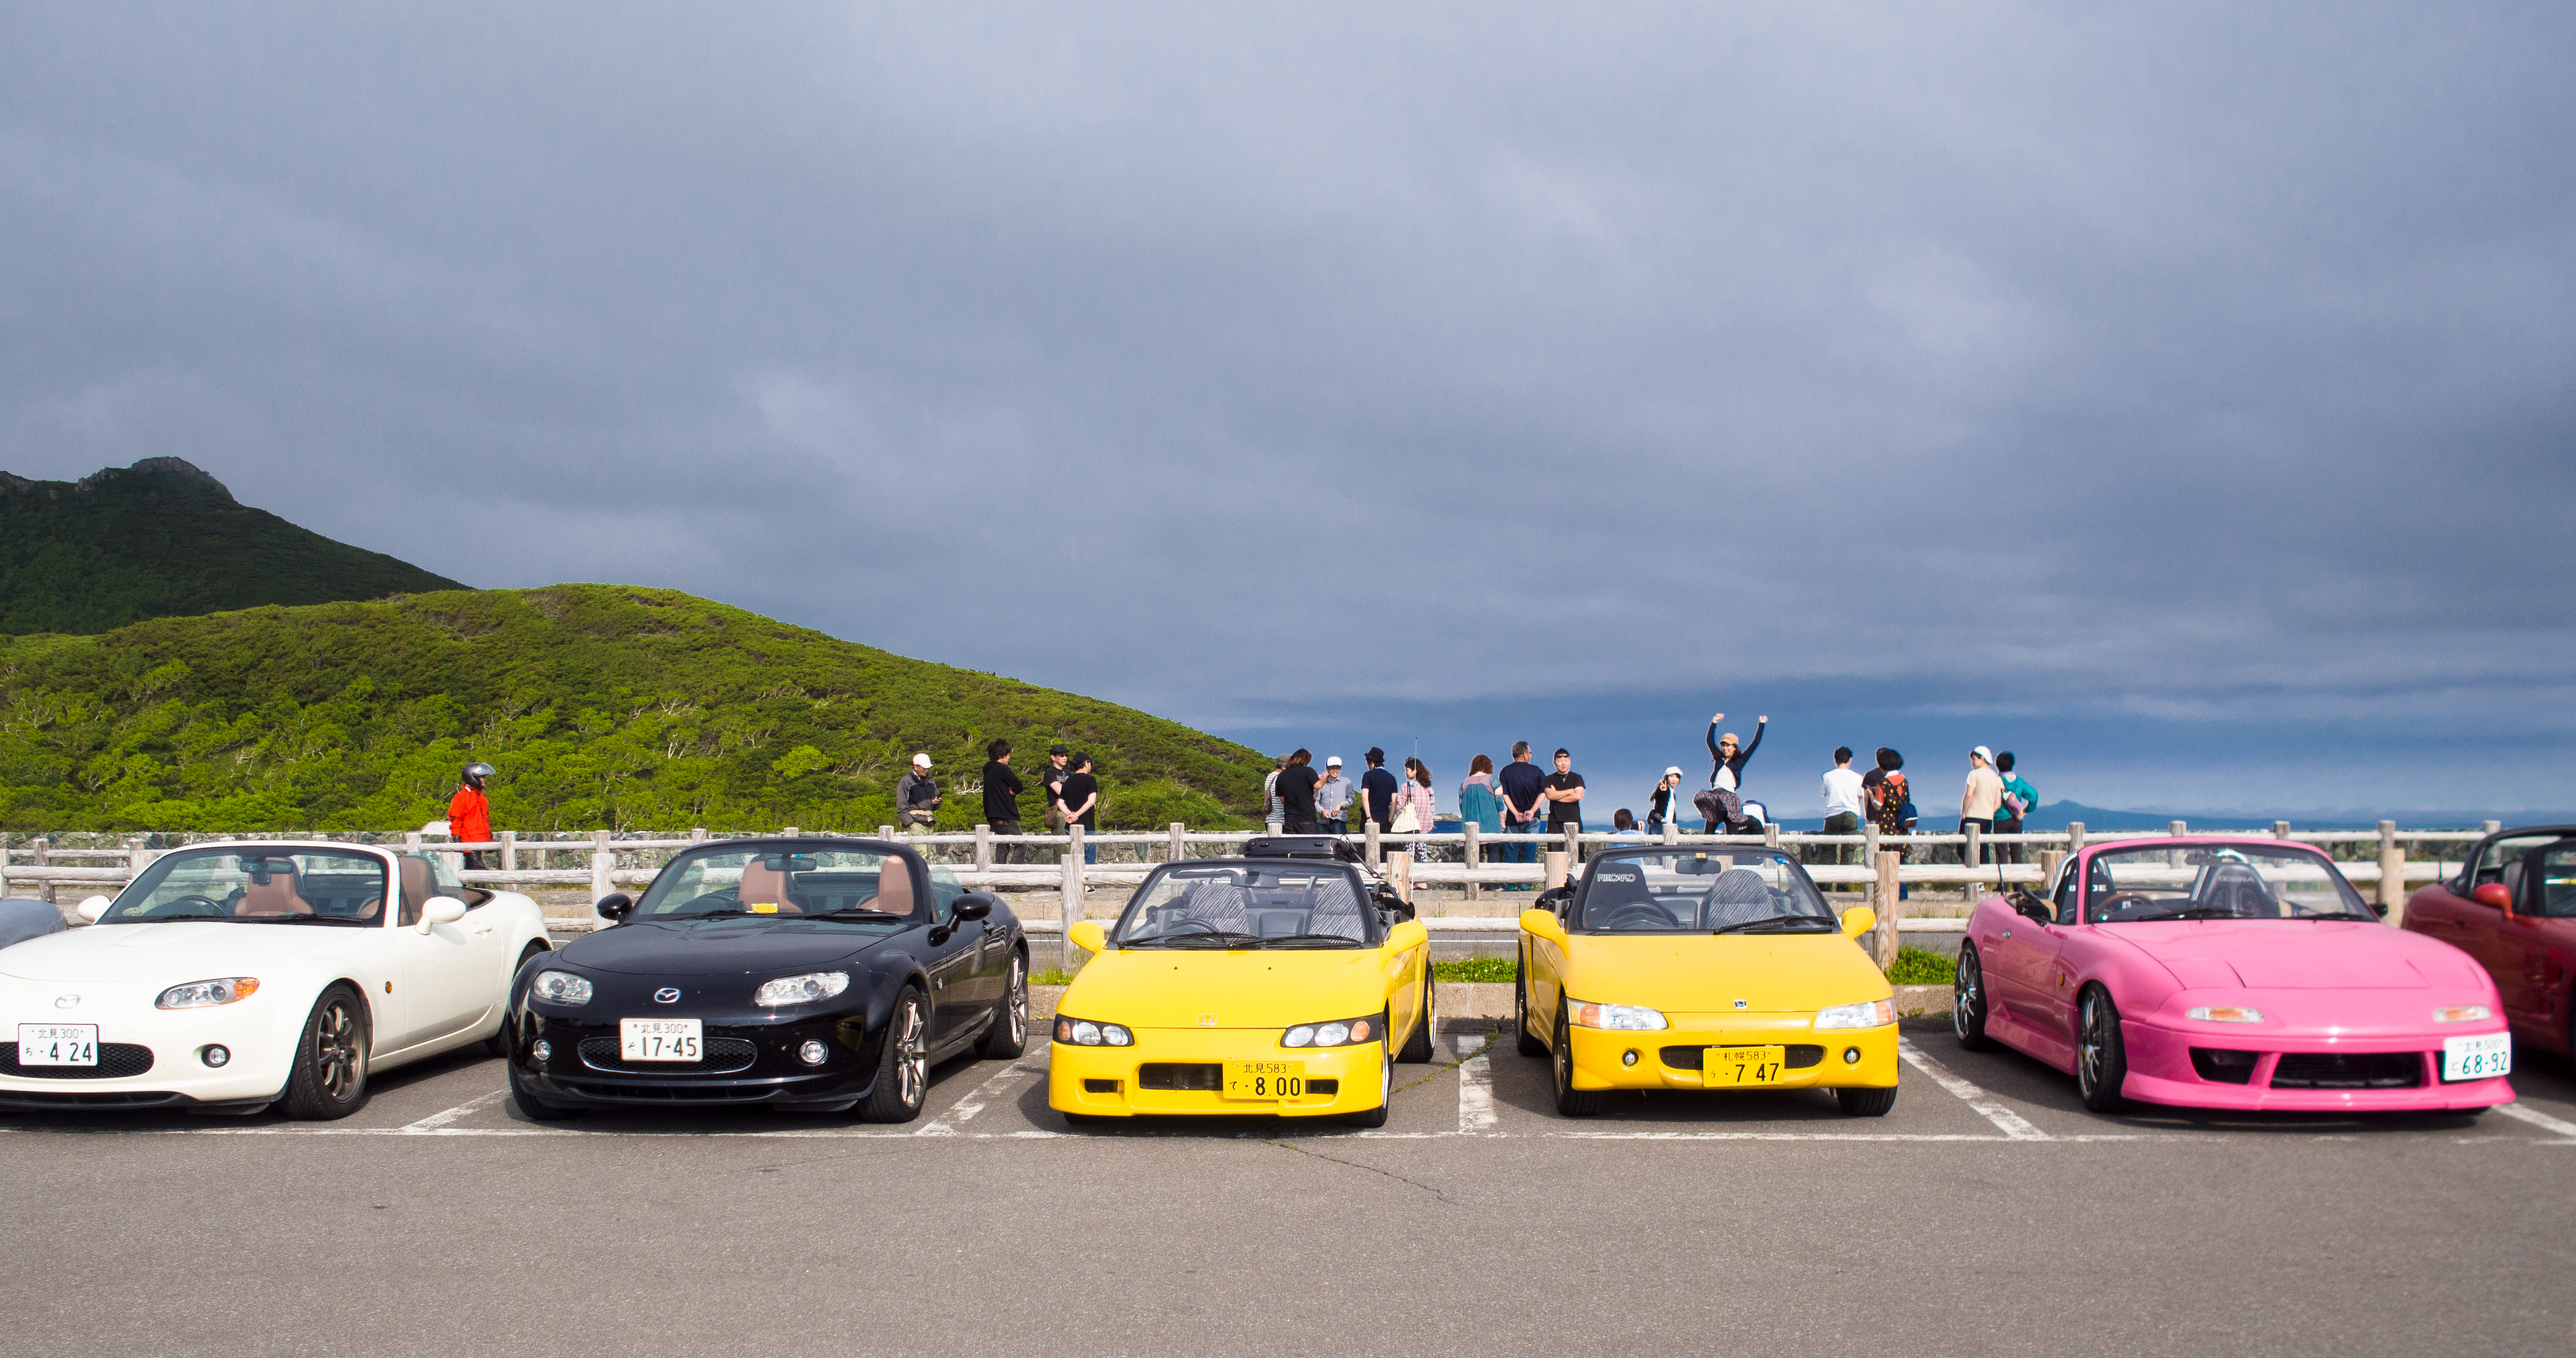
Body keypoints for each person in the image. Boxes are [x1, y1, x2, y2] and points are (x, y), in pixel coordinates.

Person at [1864, 748, 1910, 898]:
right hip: (1901, 824)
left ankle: (1886, 891)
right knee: (1901, 857)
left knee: (1885, 858)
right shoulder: (1904, 781)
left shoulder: (1883, 783)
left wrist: (1871, 795)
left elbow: (1878, 804)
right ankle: (1902, 892)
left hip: (1886, 823)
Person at [1495, 742, 1548, 866]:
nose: (1530, 755)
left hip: (1513, 820)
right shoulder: (1537, 772)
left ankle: (1509, 885)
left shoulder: (1505, 772)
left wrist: (1515, 813)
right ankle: (1526, 885)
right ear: (1525, 755)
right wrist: (1532, 811)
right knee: (1529, 853)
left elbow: (1505, 795)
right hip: (1533, 819)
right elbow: (1543, 794)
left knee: (1510, 853)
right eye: (1530, 753)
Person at [1820, 747, 1865, 866]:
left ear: (1836, 760)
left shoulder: (1827, 777)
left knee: (1829, 849)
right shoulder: (1858, 777)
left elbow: (1824, 794)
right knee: (1849, 849)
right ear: (1850, 761)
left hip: (1833, 814)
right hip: (1851, 813)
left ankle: (1826, 882)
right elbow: (1860, 796)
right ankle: (1844, 883)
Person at [981, 739, 1024, 863]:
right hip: (1006, 815)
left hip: (993, 815)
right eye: (1008, 754)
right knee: (1021, 845)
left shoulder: (988, 771)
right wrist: (1013, 792)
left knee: (1002, 846)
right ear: (1002, 756)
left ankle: (1001, 881)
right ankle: (1012, 878)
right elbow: (1019, 786)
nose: (1009, 757)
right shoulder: (1002, 770)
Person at [447, 762, 495, 870]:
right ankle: (482, 888)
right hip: (469, 842)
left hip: (479, 840)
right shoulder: (462, 797)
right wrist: (457, 838)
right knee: (480, 871)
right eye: (481, 777)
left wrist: (489, 841)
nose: (484, 780)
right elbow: (456, 818)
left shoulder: (481, 798)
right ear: (473, 778)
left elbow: (485, 821)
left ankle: (461, 886)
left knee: (469, 871)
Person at [1961, 746, 2003, 865]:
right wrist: (1990, 811)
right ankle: (1983, 878)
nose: (1972, 762)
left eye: (1974, 759)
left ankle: (1971, 875)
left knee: (1964, 847)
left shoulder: (1974, 775)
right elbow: (1998, 802)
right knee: (1983, 848)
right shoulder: (1996, 778)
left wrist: (1964, 812)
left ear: (1983, 759)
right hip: (1988, 818)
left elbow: (1969, 794)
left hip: (1972, 816)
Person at [1055, 753, 1100, 865]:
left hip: (1070, 827)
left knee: (1074, 860)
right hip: (1087, 826)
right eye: (1090, 763)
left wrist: (1069, 814)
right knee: (1089, 861)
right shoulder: (1091, 780)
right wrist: (1077, 815)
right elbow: (1091, 802)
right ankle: (1085, 882)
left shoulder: (1067, 782)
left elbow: (1060, 803)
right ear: (1086, 763)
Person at [1994, 752, 2037, 865]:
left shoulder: (1996, 782)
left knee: (2001, 853)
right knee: (2017, 853)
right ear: (2012, 764)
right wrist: (2027, 810)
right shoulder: (2020, 782)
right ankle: (2018, 882)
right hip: (2016, 820)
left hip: (1999, 820)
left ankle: (2003, 883)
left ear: (1997, 765)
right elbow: (2034, 796)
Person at [1459, 755, 1503, 863]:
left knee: (1473, 854)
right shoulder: (1492, 781)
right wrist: (1502, 822)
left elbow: (1461, 804)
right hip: (1492, 824)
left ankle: (1474, 879)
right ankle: (1492, 879)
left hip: (1470, 824)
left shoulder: (1465, 783)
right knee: (1493, 852)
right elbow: (1500, 804)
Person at [1707, 712, 1767, 790]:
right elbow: (1710, 741)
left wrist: (1761, 724)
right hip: (1715, 792)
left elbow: (1756, 742)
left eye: (1728, 745)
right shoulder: (1719, 759)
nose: (1725, 748)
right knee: (1699, 797)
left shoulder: (1740, 761)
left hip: (1729, 795)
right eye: (1723, 746)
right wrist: (1714, 722)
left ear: (1735, 747)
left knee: (1724, 799)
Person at [1543, 748, 1587, 852]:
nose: (1563, 763)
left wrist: (1557, 796)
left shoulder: (1577, 778)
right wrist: (1570, 791)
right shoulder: (1549, 779)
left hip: (1574, 821)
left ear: (1570, 761)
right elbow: (1549, 796)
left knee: (1576, 854)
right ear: (1554, 763)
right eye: (1560, 761)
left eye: (1566, 761)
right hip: (1555, 823)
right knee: (1555, 856)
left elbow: (1578, 796)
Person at [1394, 758, 1437, 858]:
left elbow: (1400, 807)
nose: (1405, 773)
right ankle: (1425, 872)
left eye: (1407, 770)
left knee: (1409, 854)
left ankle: (1409, 873)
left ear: (1414, 771)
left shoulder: (1407, 787)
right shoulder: (1428, 788)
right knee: (1423, 854)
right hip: (1424, 827)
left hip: (1410, 827)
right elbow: (1432, 808)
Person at [1276, 749, 1322, 834]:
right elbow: (1318, 786)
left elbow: (1282, 800)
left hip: (1290, 819)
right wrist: (1325, 778)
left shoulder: (1281, 776)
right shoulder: (1308, 771)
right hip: (1307, 818)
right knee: (1311, 845)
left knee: (1292, 846)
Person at [897, 753, 941, 833]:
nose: (927, 770)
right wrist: (910, 824)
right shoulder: (906, 782)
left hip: (929, 823)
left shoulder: (931, 781)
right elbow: (901, 805)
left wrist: (937, 802)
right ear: (916, 766)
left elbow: (936, 804)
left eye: (928, 768)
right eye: (924, 768)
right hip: (915, 823)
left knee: (930, 846)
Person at [1360, 748, 1400, 831]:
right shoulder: (1392, 778)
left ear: (1372, 762)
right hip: (1384, 819)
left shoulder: (1368, 776)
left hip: (1370, 818)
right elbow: (1394, 802)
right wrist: (1390, 819)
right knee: (1383, 843)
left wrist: (1369, 817)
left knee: (1367, 843)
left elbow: (1364, 798)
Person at [1317, 756, 1354, 835]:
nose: (1335, 771)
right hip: (1323, 823)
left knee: (1340, 846)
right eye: (1332, 768)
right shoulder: (1321, 783)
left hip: (1339, 821)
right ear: (1327, 769)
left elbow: (1352, 799)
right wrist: (1322, 810)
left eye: (1338, 768)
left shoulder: (1346, 782)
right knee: (1322, 846)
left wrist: (1340, 805)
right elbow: (1315, 801)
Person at [1040, 744, 1071, 833]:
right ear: (1053, 758)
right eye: (1062, 756)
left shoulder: (1068, 773)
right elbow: (1060, 791)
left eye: (1066, 755)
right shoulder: (1050, 773)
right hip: (1058, 813)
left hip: (1070, 811)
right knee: (1063, 844)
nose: (1065, 758)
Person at [1646, 766, 1685, 834]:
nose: (1674, 780)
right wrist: (1663, 790)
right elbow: (1660, 796)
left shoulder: (1672, 791)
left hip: (1667, 825)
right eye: (1672, 777)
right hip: (1660, 825)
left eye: (1677, 777)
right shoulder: (1665, 789)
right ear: (1667, 778)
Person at [1263, 755, 1288, 834]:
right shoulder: (1281, 778)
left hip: (1270, 820)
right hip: (1281, 821)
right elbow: (1284, 800)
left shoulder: (1270, 777)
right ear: (1284, 766)